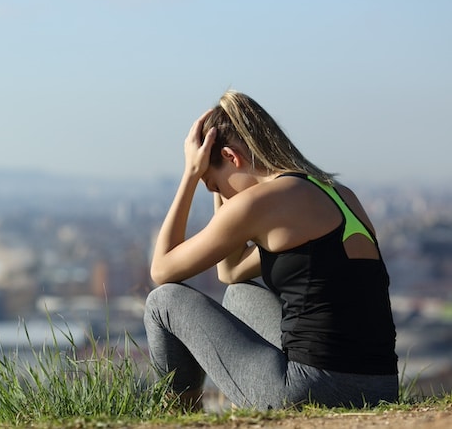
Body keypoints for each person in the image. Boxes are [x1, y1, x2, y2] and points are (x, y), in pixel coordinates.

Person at [144, 89, 398, 411]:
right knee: (238, 295)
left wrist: (192, 175)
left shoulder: (261, 202)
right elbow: (231, 271)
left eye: (216, 185)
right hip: (382, 387)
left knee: (163, 301)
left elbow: (161, 270)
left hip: (312, 390)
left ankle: (180, 417)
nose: (223, 197)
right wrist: (218, 180)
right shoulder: (339, 194)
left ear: (232, 157)